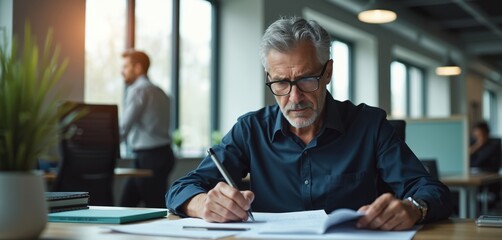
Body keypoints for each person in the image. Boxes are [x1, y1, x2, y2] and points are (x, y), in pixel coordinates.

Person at [166, 17, 452, 230]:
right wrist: (204, 204)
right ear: (269, 77)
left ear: (327, 72)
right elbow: (180, 188)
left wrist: (414, 208)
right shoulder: (250, 130)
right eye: (280, 82)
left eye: (306, 80)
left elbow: (432, 191)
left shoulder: (369, 125)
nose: (294, 97)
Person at [120, 49, 175, 208]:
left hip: (149, 158)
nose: (122, 71)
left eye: (125, 67)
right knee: (128, 204)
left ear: (137, 68)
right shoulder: (160, 92)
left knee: (153, 207)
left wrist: (99, 147)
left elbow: (123, 128)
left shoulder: (139, 90)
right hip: (162, 154)